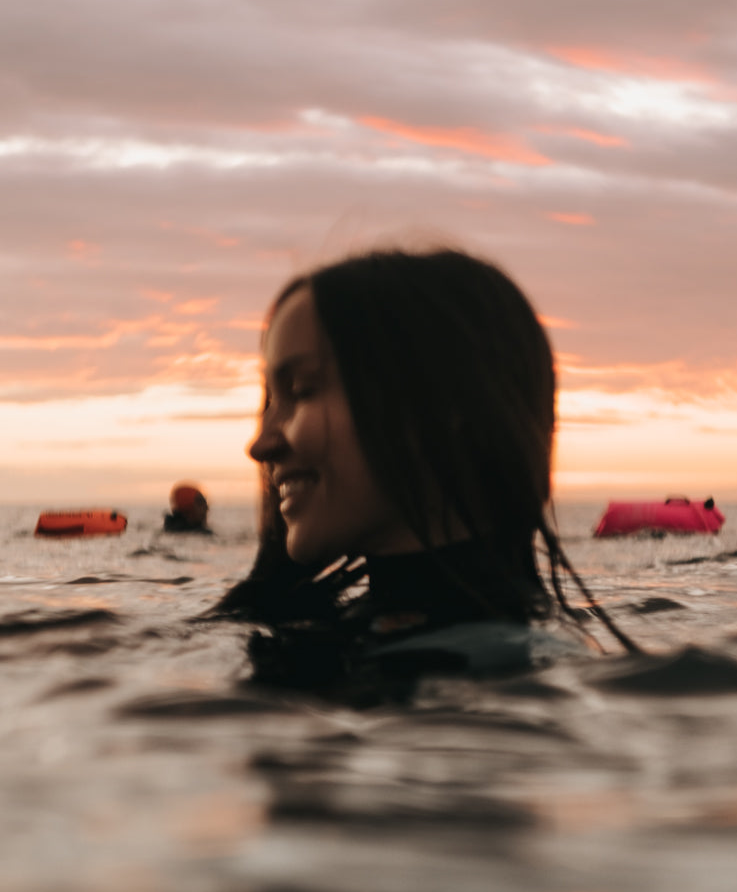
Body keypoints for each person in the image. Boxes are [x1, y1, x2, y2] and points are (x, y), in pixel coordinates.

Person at [215, 247, 636, 694]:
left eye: (302, 390)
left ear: (441, 408)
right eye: (269, 402)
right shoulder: (532, 668)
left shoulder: (506, 672)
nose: (261, 445)